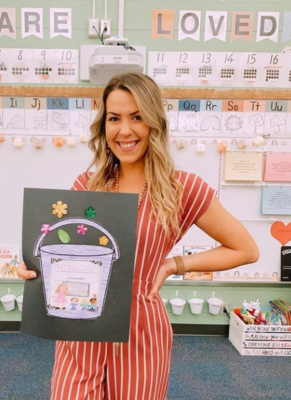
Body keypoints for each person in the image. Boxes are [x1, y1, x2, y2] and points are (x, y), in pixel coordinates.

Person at [17, 72, 259, 400]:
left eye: (137, 117)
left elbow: (245, 249)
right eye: (114, 118)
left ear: (153, 124)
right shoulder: (86, 186)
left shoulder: (181, 188)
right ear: (104, 126)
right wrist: (33, 268)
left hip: (140, 330)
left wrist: (173, 264)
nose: (125, 130)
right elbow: (62, 249)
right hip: (80, 325)